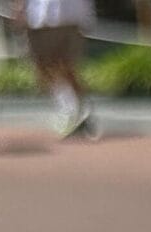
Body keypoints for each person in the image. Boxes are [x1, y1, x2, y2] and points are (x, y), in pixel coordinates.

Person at [21, 0, 99, 141]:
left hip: (70, 16)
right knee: (42, 66)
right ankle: (70, 108)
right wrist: (20, 10)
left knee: (67, 66)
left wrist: (88, 18)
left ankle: (77, 111)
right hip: (39, 18)